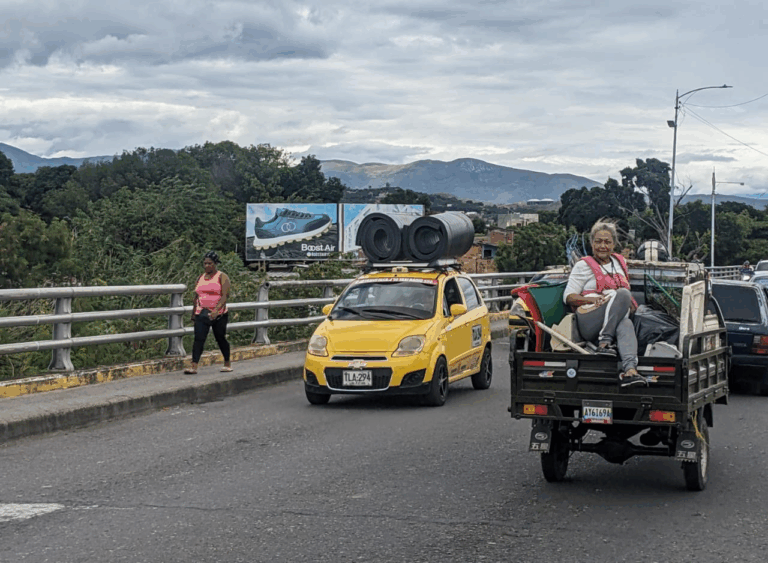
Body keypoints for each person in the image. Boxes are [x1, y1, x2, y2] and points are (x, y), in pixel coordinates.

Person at [563, 221, 644, 387]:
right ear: (592, 243)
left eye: (607, 242)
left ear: (614, 244)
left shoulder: (619, 263)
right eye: (598, 241)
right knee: (623, 294)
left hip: (614, 319)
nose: (602, 246)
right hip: (590, 320)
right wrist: (591, 300)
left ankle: (630, 370)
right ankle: (604, 342)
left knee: (625, 321)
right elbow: (568, 297)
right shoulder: (582, 266)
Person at [185, 251, 232, 374]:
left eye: (209, 263)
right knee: (199, 338)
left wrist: (216, 310)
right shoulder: (200, 277)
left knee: (220, 337)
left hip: (219, 314)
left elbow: (225, 295)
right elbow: (196, 296)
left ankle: (227, 362)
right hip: (202, 312)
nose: (207, 266)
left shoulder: (222, 277)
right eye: (205, 263)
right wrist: (194, 313)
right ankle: (194, 366)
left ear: (215, 264)